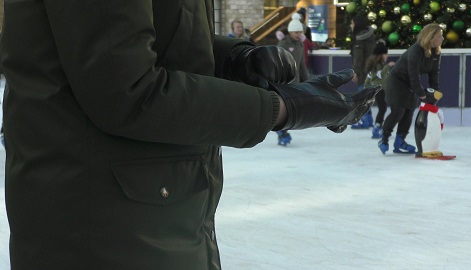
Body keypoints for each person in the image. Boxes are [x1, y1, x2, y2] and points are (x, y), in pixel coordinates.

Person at [0, 1, 379, 269]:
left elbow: (149, 37)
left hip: (151, 213)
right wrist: (280, 108)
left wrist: (236, 58)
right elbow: (126, 90)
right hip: (102, 224)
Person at [378, 23, 443, 155]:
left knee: (409, 111)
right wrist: (421, 94)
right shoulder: (415, 50)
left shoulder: (436, 52)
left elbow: (434, 74)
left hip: (410, 84)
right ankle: (384, 139)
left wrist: (435, 92)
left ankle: (400, 141)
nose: (442, 38)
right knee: (398, 111)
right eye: (439, 36)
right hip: (397, 81)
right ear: (431, 37)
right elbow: (413, 74)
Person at [275, 14, 310, 146]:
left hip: (294, 80)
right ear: (290, 32)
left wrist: (306, 81)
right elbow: (277, 61)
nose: (298, 34)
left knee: (291, 107)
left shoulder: (300, 45)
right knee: (283, 107)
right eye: (296, 32)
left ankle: (283, 129)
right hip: (282, 80)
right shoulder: (283, 43)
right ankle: (281, 131)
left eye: (300, 31)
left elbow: (302, 65)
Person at [363, 40, 396, 139]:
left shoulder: (378, 64)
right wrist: (388, 66)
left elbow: (369, 79)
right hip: (378, 89)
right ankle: (377, 127)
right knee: (383, 108)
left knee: (383, 108)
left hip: (379, 89)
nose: (387, 56)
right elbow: (379, 75)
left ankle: (378, 126)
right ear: (381, 55)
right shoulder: (378, 65)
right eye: (385, 54)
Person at [349, 14, 376, 129]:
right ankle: (368, 120)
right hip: (371, 71)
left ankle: (364, 121)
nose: (351, 26)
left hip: (363, 72)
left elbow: (358, 58)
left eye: (352, 23)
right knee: (366, 97)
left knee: (362, 98)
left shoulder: (360, 39)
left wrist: (355, 72)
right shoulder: (371, 37)